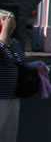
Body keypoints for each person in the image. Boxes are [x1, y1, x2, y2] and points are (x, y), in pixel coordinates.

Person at [0, 10, 30, 140]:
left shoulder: (15, 43)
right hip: (0, 96)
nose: (11, 24)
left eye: (12, 21)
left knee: (9, 134)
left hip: (13, 94)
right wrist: (4, 34)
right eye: (6, 21)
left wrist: (35, 67)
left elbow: (19, 62)